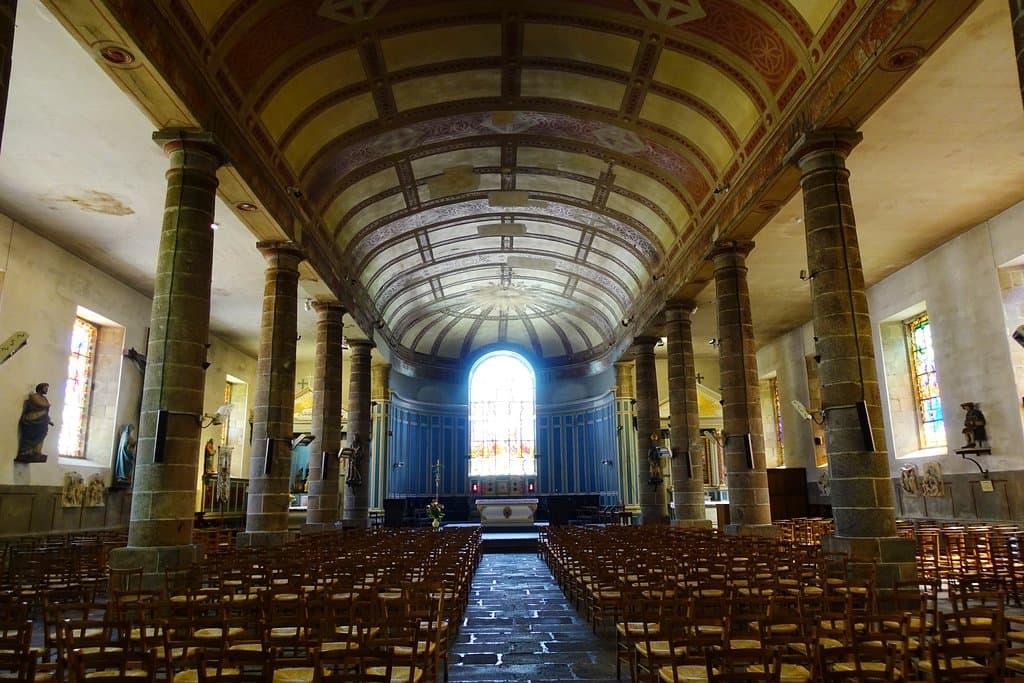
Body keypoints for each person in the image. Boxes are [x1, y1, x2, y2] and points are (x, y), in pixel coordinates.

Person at [16, 383, 54, 463]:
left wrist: (49, 420)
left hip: (43, 421)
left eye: (47, 388)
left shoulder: (44, 398)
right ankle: (26, 451)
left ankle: (36, 451)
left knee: (42, 435)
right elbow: (40, 404)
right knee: (31, 435)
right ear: (40, 388)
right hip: (33, 420)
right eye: (45, 388)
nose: (47, 390)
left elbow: (45, 411)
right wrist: (47, 405)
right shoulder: (34, 396)